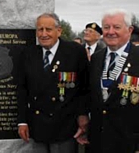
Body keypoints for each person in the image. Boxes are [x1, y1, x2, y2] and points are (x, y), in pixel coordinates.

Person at [17, 13, 89, 153]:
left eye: (48, 29)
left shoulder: (75, 52)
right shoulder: (28, 54)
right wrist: (22, 121)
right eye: (40, 29)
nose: (44, 34)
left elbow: (84, 88)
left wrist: (83, 115)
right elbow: (22, 89)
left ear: (59, 31)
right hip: (38, 126)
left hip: (65, 126)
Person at [89, 9, 139, 153]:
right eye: (106, 27)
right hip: (99, 140)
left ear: (129, 30)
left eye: (116, 27)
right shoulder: (96, 58)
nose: (111, 32)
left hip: (129, 142)